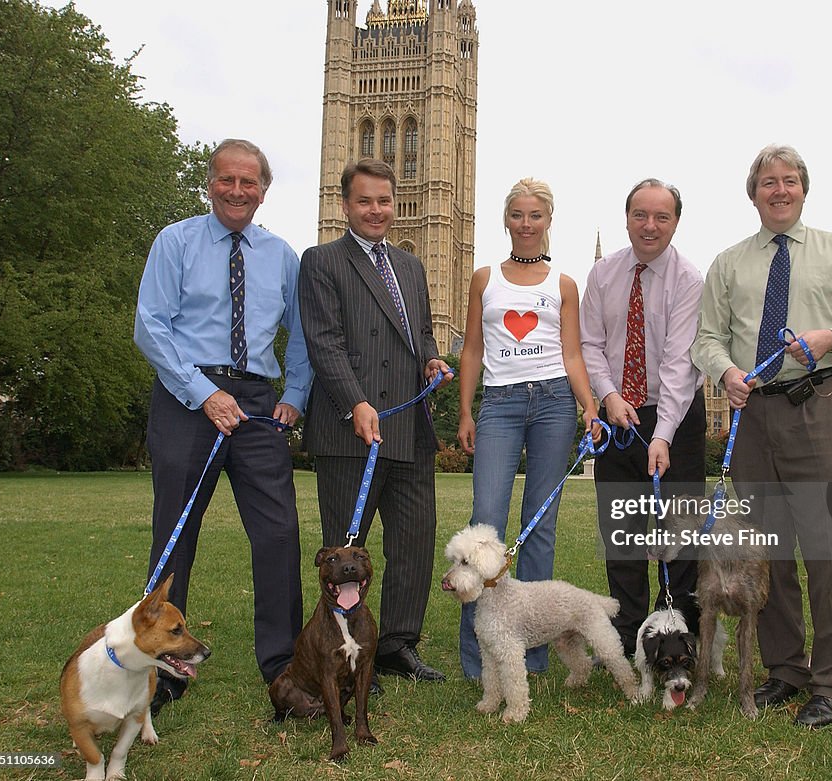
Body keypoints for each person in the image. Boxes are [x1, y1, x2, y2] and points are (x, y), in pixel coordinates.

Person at [690, 144, 832, 728]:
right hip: (754, 413)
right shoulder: (729, 264)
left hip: (821, 404)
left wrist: (831, 337)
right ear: (752, 193)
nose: (779, 191)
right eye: (767, 182)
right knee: (768, 551)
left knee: (831, 551)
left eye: (789, 181)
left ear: (804, 189)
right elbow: (706, 338)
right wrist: (725, 371)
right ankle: (785, 669)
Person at [134, 138, 311, 713]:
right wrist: (204, 392)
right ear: (210, 183)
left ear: (264, 190)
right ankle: (162, 673)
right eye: (226, 180)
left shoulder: (281, 254)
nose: (237, 191)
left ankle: (286, 674)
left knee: (280, 534)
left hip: (258, 402)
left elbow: (302, 333)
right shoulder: (176, 241)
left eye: (249, 182)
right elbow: (150, 327)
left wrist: (296, 394)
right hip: (187, 396)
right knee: (175, 535)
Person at [298, 158, 451, 686]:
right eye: (364, 201)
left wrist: (431, 359)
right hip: (349, 431)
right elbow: (325, 342)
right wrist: (356, 402)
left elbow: (422, 334)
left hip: (408, 428)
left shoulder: (410, 266)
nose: (376, 210)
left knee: (414, 541)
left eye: (384, 200)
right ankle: (340, 650)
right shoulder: (321, 261)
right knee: (345, 552)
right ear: (345, 205)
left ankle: (396, 646)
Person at [456, 178, 601, 679]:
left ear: (548, 221)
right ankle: (479, 660)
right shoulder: (484, 278)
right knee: (486, 523)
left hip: (555, 403)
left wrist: (588, 405)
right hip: (499, 403)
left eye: (535, 215)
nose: (526, 223)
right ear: (506, 220)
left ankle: (533, 656)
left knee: (539, 527)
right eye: (517, 214)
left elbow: (573, 353)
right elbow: (471, 349)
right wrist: (466, 410)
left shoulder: (563, 283)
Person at [579, 179, 706, 658]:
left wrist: (664, 435)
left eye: (661, 217)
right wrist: (609, 396)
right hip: (618, 416)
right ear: (627, 217)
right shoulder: (604, 274)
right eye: (640, 215)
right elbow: (590, 344)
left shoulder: (689, 279)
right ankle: (630, 636)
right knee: (624, 537)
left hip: (674, 416)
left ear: (675, 222)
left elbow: (679, 363)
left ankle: (675, 638)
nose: (649, 226)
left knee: (680, 538)